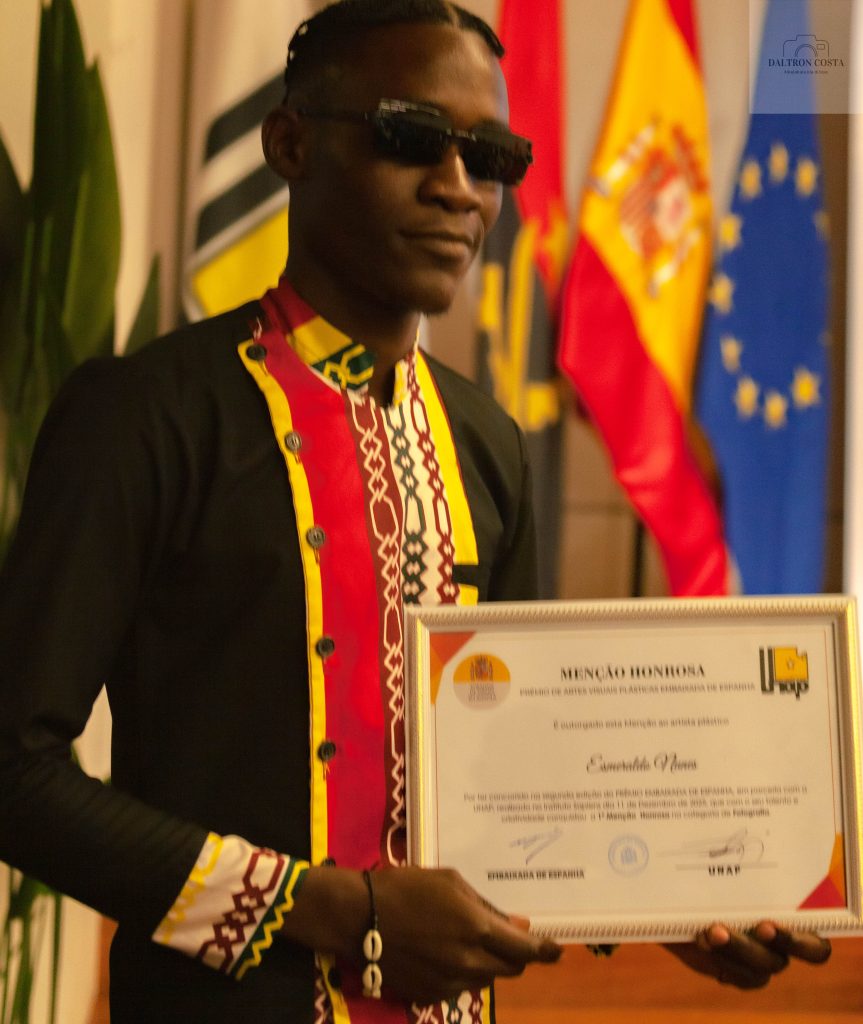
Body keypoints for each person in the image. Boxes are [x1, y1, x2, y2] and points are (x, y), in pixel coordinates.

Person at [0, 1, 831, 1021]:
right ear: (289, 143)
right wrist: (333, 911)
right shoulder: (145, 416)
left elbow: (520, 784)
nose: (457, 187)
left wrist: (687, 893)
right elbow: (15, 772)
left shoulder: (489, 445)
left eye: (490, 157)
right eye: (409, 137)